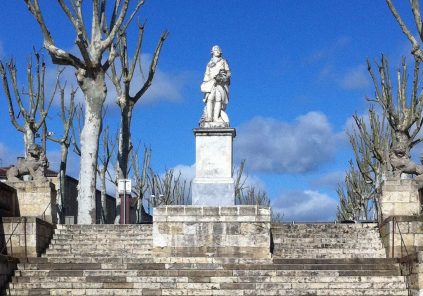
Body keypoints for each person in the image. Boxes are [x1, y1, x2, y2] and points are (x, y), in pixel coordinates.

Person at [200, 45, 231, 126]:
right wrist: (206, 82)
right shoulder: (209, 63)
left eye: (218, 50)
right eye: (215, 50)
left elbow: (228, 72)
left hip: (220, 83)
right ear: (212, 52)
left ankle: (216, 117)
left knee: (218, 99)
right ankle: (209, 117)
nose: (217, 51)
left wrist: (224, 77)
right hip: (211, 83)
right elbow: (207, 74)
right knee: (210, 98)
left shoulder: (223, 61)